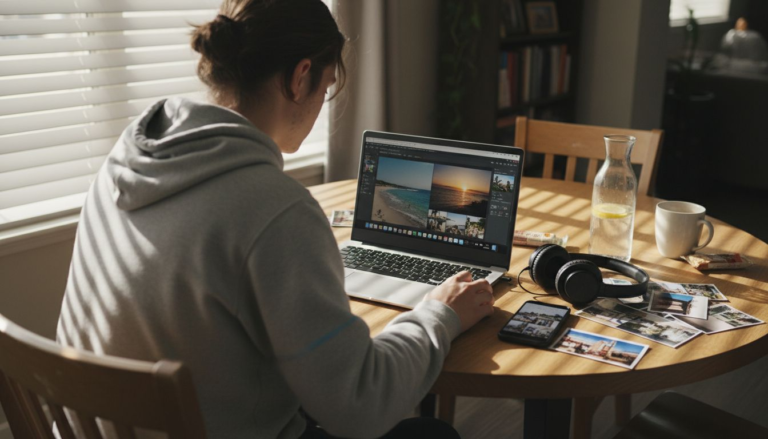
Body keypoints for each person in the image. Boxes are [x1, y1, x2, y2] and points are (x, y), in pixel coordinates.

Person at [55, 1, 495, 438]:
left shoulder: (126, 162)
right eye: (325, 88)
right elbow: (360, 405)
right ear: (300, 77)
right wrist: (439, 315)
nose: (322, 103)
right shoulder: (277, 209)